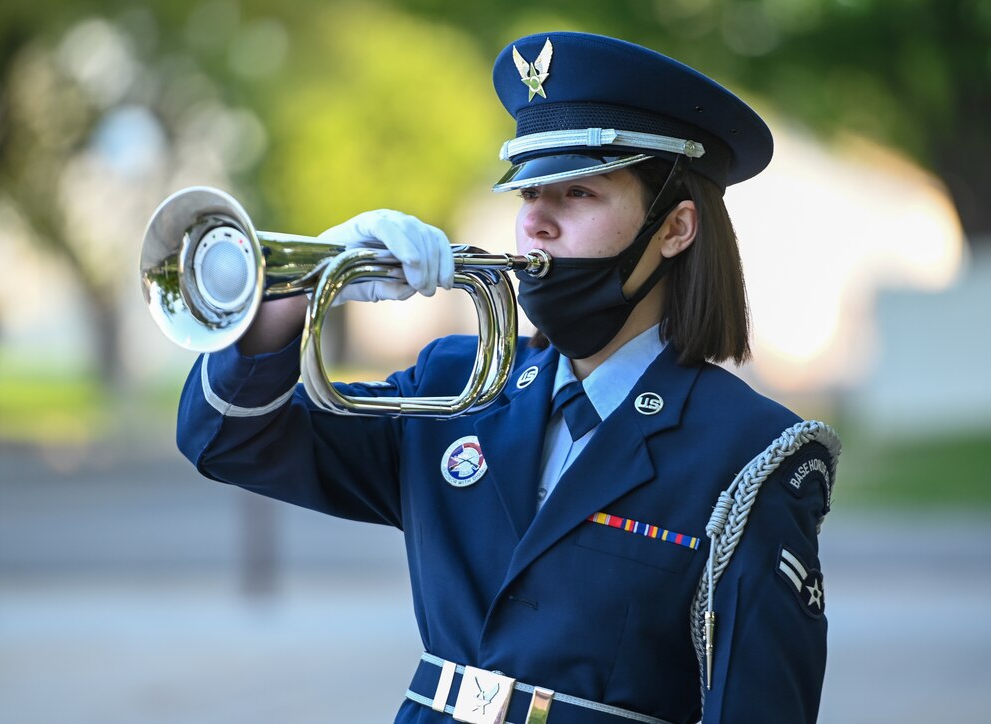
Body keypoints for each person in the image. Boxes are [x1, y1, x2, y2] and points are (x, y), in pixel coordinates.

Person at [176, 31, 840, 724]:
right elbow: (225, 440)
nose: (536, 224)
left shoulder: (751, 453)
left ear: (675, 228)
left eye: (577, 193)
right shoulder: (457, 384)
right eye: (527, 192)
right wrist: (306, 286)